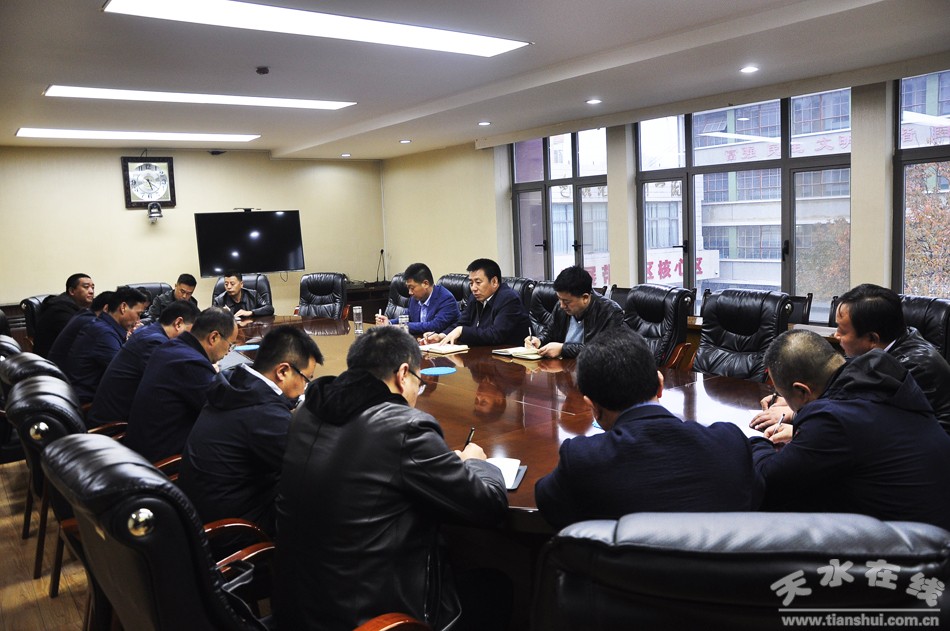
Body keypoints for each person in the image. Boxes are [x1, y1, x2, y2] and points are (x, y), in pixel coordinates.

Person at [275, 326, 509, 631]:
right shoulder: (405, 427)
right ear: (403, 374)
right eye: (419, 384)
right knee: (495, 586)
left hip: (294, 607)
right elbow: (489, 505)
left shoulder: (305, 412)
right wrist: (476, 463)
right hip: (369, 619)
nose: (417, 395)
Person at [535, 328, 763, 529]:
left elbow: (547, 502)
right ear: (660, 384)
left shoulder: (583, 459)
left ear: (593, 407)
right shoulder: (730, 443)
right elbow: (757, 498)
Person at [751, 329, 950, 531]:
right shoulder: (881, 377)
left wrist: (756, 440)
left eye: (783, 394)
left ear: (802, 390)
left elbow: (766, 480)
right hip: (935, 523)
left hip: (915, 544)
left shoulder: (832, 419)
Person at [179, 326, 323, 538]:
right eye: (306, 379)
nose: (303, 389)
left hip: (203, 513)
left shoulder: (234, 383)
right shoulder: (264, 414)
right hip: (236, 529)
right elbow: (313, 469)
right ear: (282, 371)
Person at [751, 283, 950, 435]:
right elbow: (839, 387)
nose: (836, 336)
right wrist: (791, 399)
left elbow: (862, 420)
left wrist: (797, 419)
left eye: (842, 330)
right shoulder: (891, 344)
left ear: (872, 339)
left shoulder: (913, 367)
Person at [123, 307, 237, 462]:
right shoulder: (190, 362)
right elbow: (222, 412)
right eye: (230, 345)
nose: (228, 352)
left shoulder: (172, 347)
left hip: (141, 448)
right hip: (163, 461)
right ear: (214, 337)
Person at [87, 300, 201, 427]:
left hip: (117, 415)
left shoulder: (150, 332)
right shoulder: (155, 343)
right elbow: (173, 384)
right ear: (178, 323)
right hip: (113, 426)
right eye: (192, 332)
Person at [61, 286, 149, 404]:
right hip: (88, 403)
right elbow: (125, 374)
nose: (138, 320)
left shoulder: (103, 326)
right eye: (138, 314)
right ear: (123, 307)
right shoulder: (104, 334)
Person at [424, 258, 529, 347]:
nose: (473, 288)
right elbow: (461, 323)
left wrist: (462, 331)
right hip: (483, 354)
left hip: (509, 360)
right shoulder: (475, 298)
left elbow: (496, 335)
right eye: (471, 283)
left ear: (494, 282)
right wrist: (441, 336)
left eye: (478, 282)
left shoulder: (509, 299)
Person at [525, 265, 622, 358]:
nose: (562, 305)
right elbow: (550, 332)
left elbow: (605, 349)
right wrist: (539, 340)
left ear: (585, 298)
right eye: (559, 299)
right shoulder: (560, 306)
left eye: (566, 301)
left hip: (591, 367)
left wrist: (563, 349)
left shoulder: (610, 312)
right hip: (561, 366)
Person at [374, 262, 459, 335]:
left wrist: (400, 327)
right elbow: (409, 316)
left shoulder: (446, 299)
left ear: (425, 284)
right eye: (408, 288)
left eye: (412, 288)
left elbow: (434, 326)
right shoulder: (415, 298)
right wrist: (389, 322)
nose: (410, 292)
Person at [32, 273, 96, 357]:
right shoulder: (59, 311)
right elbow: (81, 338)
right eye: (86, 287)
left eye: (92, 287)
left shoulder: (82, 308)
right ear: (72, 291)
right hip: (53, 361)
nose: (91, 291)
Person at [47, 290, 114, 369]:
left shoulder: (85, 314)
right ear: (106, 308)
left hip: (60, 368)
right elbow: (114, 361)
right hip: (62, 372)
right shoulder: (92, 324)